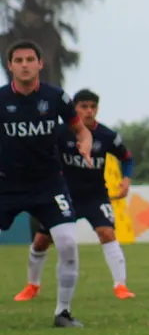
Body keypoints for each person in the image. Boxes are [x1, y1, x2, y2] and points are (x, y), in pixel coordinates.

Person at [0, 40, 93, 327]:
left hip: (49, 185)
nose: (25, 64)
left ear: (40, 64)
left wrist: (85, 145)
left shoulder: (56, 97)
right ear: (10, 66)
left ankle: (62, 313)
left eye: (30, 59)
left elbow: (81, 131)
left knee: (66, 243)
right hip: (6, 185)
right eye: (19, 60)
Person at [15, 89, 136, 302]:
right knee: (42, 241)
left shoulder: (107, 136)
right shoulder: (60, 133)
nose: (89, 112)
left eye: (93, 107)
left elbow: (127, 158)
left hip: (95, 196)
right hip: (64, 196)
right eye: (84, 107)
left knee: (107, 233)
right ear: (75, 108)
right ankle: (32, 285)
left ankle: (121, 286)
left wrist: (126, 180)